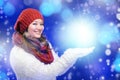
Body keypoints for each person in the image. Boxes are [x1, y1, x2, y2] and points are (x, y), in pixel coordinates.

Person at [10, 8, 94, 80]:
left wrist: (74, 54)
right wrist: (70, 55)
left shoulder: (44, 44)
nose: (39, 27)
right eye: (35, 24)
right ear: (25, 27)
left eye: (41, 24)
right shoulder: (18, 53)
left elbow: (57, 68)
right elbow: (46, 73)